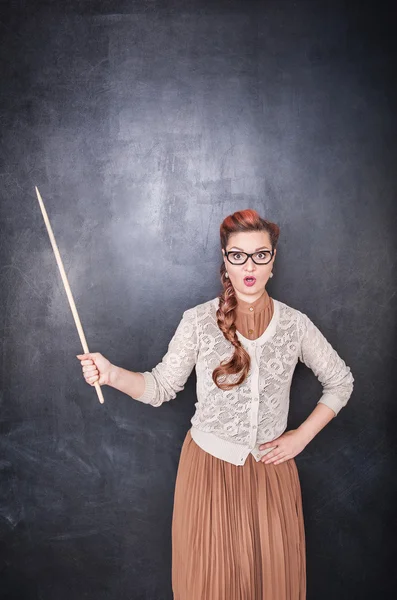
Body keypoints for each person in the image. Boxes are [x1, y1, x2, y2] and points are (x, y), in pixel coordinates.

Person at [76, 208, 354, 600]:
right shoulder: (197, 321)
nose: (249, 266)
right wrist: (110, 374)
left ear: (274, 261)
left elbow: (341, 382)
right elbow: (159, 387)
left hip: (271, 476)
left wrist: (300, 437)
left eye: (261, 254)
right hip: (208, 474)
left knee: (271, 586)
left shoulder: (296, 325)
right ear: (225, 260)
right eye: (237, 255)